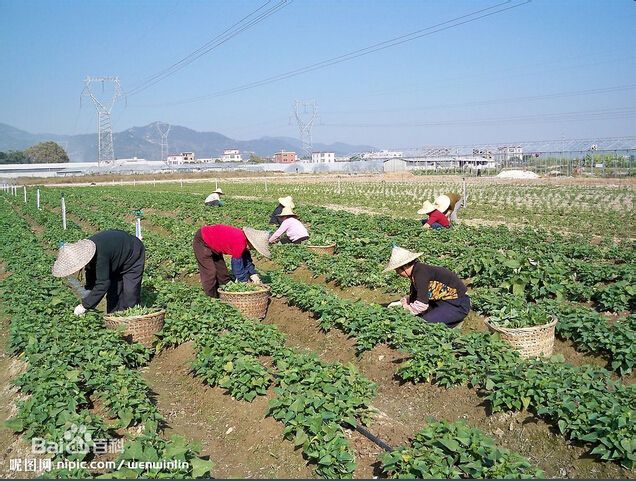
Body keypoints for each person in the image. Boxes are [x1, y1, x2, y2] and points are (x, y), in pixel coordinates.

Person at [52, 230, 146, 315]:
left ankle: (132, 323)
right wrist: (89, 289)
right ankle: (115, 322)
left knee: (130, 294)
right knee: (113, 294)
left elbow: (103, 284)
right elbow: (91, 271)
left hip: (133, 254)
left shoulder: (99, 255)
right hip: (115, 257)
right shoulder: (88, 251)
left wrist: (85, 305)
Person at [383, 246, 470, 328]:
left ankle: (454, 322)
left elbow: (421, 304)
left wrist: (405, 310)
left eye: (397, 270)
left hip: (457, 304)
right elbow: (417, 295)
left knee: (423, 324)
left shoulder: (421, 274)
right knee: (420, 316)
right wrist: (403, 303)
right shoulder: (418, 271)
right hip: (441, 301)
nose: (397, 273)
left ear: (404, 266)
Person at [192, 224, 270, 298]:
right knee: (210, 273)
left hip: (214, 244)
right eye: (254, 247)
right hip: (202, 240)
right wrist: (244, 282)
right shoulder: (240, 241)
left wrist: (253, 274)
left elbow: (247, 261)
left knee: (222, 273)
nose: (253, 249)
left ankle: (225, 296)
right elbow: (237, 266)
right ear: (251, 242)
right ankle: (211, 298)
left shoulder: (243, 241)